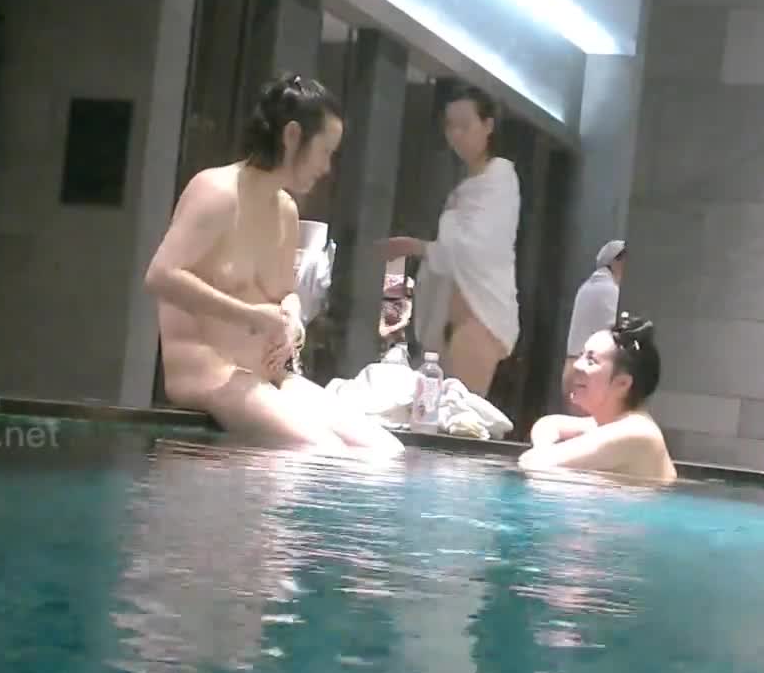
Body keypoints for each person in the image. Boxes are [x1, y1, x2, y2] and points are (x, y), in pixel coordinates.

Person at [144, 74, 403, 457]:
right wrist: (251, 316)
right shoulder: (216, 191)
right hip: (211, 373)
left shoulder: (285, 210)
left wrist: (292, 318)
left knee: (384, 451)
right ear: (293, 136)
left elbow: (285, 294)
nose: (326, 167)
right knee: (322, 451)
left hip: (270, 376)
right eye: (325, 151)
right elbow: (161, 275)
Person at [381, 85, 520, 395]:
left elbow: (478, 248)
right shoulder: (469, 184)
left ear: (488, 126)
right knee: (438, 407)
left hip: (481, 316)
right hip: (454, 317)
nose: (456, 135)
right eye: (450, 126)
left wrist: (418, 247)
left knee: (459, 411)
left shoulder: (499, 179)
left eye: (465, 125)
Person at [518, 313, 677, 482]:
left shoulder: (636, 433)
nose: (577, 365)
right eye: (581, 355)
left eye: (591, 360)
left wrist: (546, 455)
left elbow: (535, 463)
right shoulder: (613, 423)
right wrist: (544, 448)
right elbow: (549, 423)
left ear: (622, 384)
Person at [561, 240, 625, 406]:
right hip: (590, 372)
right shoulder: (610, 291)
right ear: (616, 262)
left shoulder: (588, 286)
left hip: (572, 368)